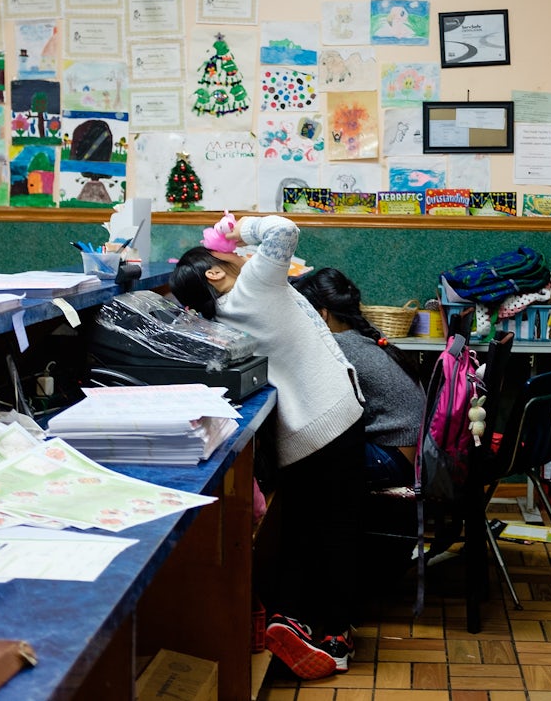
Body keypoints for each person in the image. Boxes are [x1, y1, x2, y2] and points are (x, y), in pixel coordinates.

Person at [171, 215, 363, 680]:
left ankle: (295, 620)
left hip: (300, 434)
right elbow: (283, 230)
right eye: (226, 256)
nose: (237, 254)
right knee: (337, 531)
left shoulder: (225, 315)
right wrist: (242, 231)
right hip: (332, 419)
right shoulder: (253, 286)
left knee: (306, 530)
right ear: (215, 272)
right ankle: (334, 639)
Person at [292, 267, 425, 491]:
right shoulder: (363, 333)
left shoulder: (339, 347)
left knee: (297, 460)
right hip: (410, 452)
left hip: (394, 460)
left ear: (321, 314)